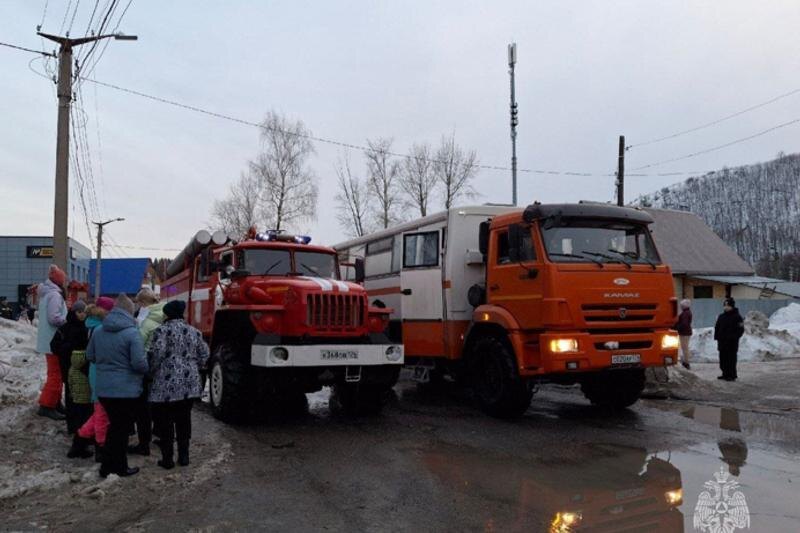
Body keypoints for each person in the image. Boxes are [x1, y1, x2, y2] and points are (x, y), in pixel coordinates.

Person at [86, 295, 148, 477]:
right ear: (129, 311)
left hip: (104, 389)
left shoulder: (98, 330)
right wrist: (147, 366)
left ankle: (107, 467)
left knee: (114, 428)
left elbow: (90, 356)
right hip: (126, 391)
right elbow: (139, 364)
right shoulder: (132, 333)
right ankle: (120, 467)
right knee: (120, 431)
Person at [147, 300, 209, 469]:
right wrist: (194, 366)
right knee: (184, 419)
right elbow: (204, 354)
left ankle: (167, 459)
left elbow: (157, 355)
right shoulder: (194, 332)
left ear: (167, 314)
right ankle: (184, 457)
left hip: (166, 384)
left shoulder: (161, 331)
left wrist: (151, 373)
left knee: (165, 421)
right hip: (189, 384)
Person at [127, 288, 166, 456]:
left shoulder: (146, 320)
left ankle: (144, 444)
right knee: (159, 403)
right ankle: (162, 435)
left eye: (139, 303)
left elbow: (138, 343)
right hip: (161, 366)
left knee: (142, 407)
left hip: (146, 364)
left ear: (143, 303)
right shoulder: (162, 315)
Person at [77, 297, 115, 463]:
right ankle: (98, 445)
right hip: (99, 370)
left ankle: (80, 440)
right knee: (101, 412)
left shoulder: (90, 325)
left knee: (101, 410)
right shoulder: (100, 328)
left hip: (95, 369)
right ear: (105, 311)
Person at [50, 300, 89, 435]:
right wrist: (67, 350)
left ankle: (82, 427)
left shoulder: (88, 327)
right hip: (68, 367)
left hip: (84, 369)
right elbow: (54, 346)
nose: (82, 315)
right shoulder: (65, 328)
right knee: (71, 397)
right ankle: (72, 427)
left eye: (84, 312)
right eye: (79, 312)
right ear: (74, 313)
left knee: (83, 398)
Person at [35, 265, 68, 420]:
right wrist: (67, 321)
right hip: (54, 341)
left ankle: (54, 402)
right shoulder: (55, 295)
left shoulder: (46, 294)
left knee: (55, 373)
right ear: (59, 281)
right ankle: (47, 405)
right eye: (64, 279)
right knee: (56, 374)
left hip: (49, 340)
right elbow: (54, 318)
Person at [714, 297, 745, 381]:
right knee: (723, 359)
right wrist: (717, 337)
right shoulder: (721, 316)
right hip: (722, 342)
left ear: (732, 306)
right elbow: (717, 327)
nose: (726, 307)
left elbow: (741, 329)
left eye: (728, 305)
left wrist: (734, 337)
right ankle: (725, 373)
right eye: (725, 305)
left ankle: (732, 375)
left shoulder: (737, 317)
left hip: (732, 343)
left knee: (731, 359)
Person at [674, 299, 693, 370]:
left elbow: (684, 324)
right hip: (686, 332)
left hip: (684, 332)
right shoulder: (688, 312)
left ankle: (686, 362)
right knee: (685, 348)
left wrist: (677, 327)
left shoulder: (685, 313)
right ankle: (686, 361)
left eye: (681, 305)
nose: (680, 307)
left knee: (685, 348)